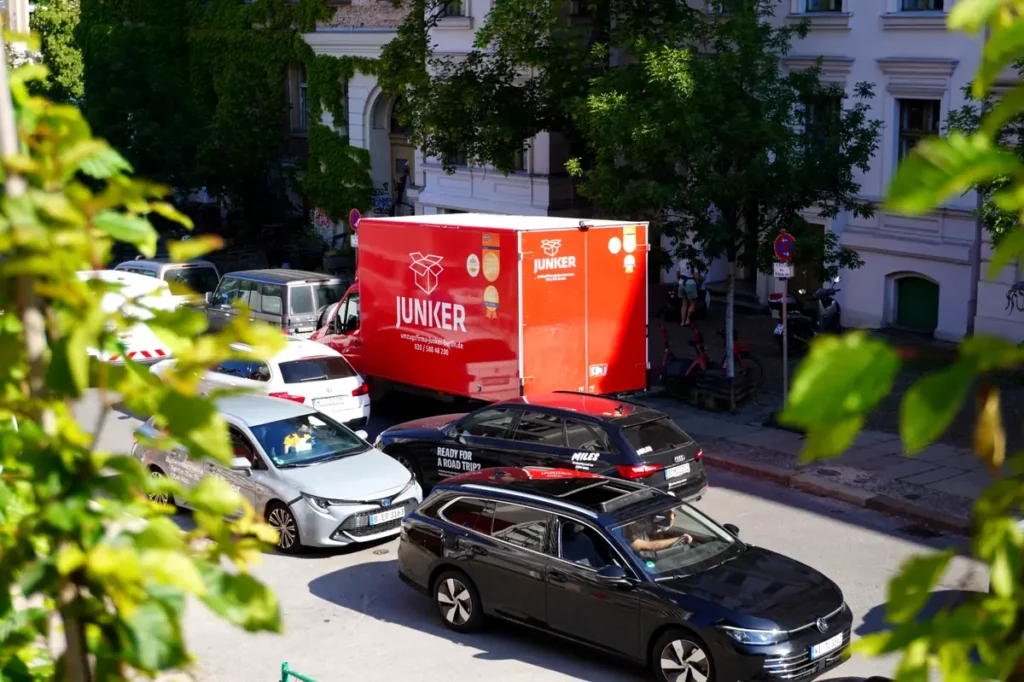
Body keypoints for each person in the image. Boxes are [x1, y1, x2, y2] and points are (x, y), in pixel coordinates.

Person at [625, 509, 694, 557]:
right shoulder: (627, 530)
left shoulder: (647, 521)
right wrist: (679, 539)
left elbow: (657, 532)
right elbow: (648, 546)